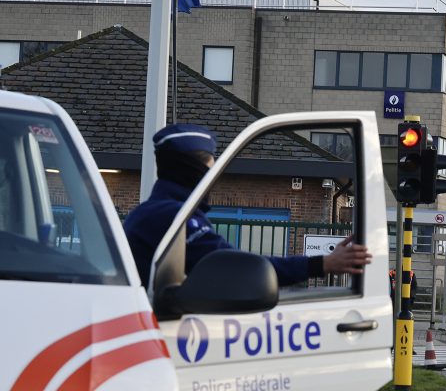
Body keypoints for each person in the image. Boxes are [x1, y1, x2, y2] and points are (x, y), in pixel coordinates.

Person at [123, 123, 372, 287]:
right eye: (210, 169)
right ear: (194, 171)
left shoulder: (153, 213)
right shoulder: (172, 217)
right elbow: (237, 268)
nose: (214, 179)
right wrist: (322, 264)